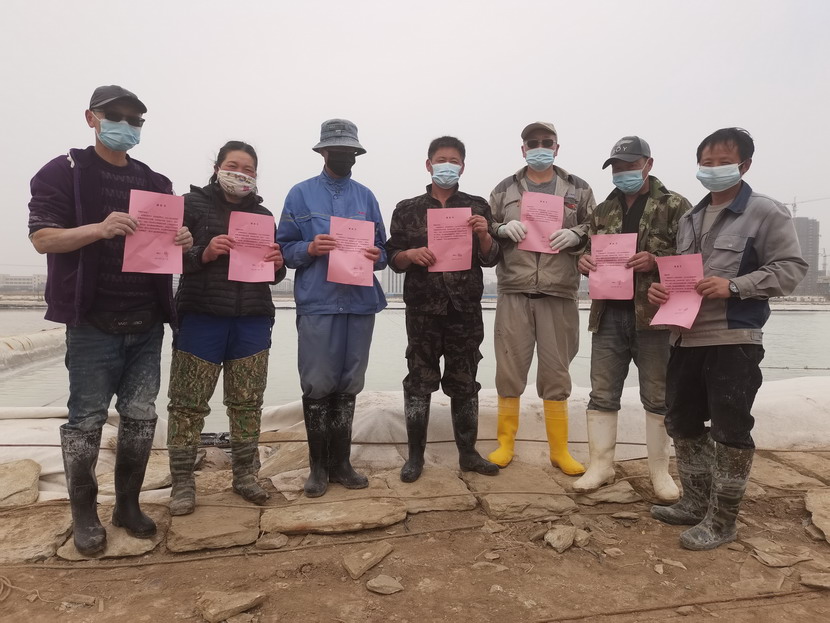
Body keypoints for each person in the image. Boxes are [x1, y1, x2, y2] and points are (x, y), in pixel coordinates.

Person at [27, 85, 192, 555]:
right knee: (86, 419)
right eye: (115, 116)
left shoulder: (155, 182)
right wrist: (99, 229)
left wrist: (182, 239)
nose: (126, 125)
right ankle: (84, 513)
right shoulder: (63, 172)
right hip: (91, 322)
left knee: (141, 415)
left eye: (135, 120)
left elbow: (168, 246)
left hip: (146, 322)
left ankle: (127, 505)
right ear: (91, 118)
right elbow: (42, 238)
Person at [648, 128, 807, 550]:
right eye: (707, 162)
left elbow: (791, 268)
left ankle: (723, 520)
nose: (714, 169)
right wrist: (661, 291)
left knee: (730, 428)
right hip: (685, 338)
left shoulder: (765, 212)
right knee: (682, 422)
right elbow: (682, 275)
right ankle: (694, 503)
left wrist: (734, 286)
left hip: (733, 337)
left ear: (745, 165)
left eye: (724, 161)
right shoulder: (689, 218)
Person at [166, 141, 286, 515]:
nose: (241, 174)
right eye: (234, 165)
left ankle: (245, 476)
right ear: (217, 167)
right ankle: (183, 483)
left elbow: (274, 274)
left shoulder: (263, 215)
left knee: (247, 402)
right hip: (201, 316)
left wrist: (278, 263)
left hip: (252, 318)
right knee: (187, 404)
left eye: (249, 169)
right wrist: (204, 252)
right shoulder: (190, 205)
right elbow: (165, 254)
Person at [573, 136, 691, 501]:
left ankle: (660, 471)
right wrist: (582, 261)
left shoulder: (675, 205)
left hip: (654, 316)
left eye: (630, 166)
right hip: (608, 314)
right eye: (617, 168)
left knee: (657, 395)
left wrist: (656, 260)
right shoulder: (602, 210)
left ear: (648, 164)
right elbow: (587, 249)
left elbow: (692, 257)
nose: (623, 173)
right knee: (602, 393)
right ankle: (600, 466)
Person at [277, 119, 387, 498]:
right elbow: (283, 249)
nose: (344, 156)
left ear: (357, 154)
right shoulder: (300, 195)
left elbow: (384, 251)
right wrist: (309, 248)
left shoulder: (366, 198)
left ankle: (342, 463)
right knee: (317, 382)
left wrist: (375, 255)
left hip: (359, 304)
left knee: (350, 382)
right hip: (319, 302)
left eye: (350, 151)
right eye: (337, 150)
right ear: (323, 152)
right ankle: (317, 467)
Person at [386, 136, 501, 482]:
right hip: (422, 310)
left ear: (462, 167)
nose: (447, 166)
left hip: (464, 309)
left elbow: (491, 258)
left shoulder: (477, 206)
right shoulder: (407, 209)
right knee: (419, 380)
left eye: (454, 161)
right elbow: (392, 257)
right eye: (441, 160)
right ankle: (415, 457)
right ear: (429, 164)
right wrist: (409, 255)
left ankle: (468, 454)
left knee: (465, 379)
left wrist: (484, 235)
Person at [487, 121, 596, 475]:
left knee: (556, 371)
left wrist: (577, 235)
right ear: (522, 149)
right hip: (514, 290)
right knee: (509, 369)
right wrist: (501, 228)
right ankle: (505, 443)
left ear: (557, 148)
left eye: (546, 142)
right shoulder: (504, 189)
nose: (539, 147)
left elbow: (598, 228)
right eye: (532, 142)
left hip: (559, 291)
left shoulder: (578, 188)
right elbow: (485, 228)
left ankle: (559, 450)